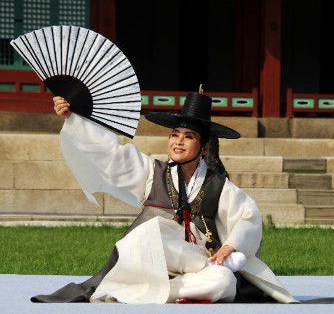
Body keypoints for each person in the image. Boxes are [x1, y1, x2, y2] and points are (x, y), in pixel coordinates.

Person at [31, 91, 296, 304]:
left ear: (203, 148)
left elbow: (248, 215)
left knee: (224, 282)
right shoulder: (151, 172)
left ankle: (140, 293)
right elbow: (111, 155)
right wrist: (75, 120)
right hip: (152, 256)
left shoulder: (218, 186)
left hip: (196, 263)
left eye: (188, 137)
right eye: (174, 135)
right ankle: (165, 288)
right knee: (150, 233)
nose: (178, 142)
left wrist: (231, 246)